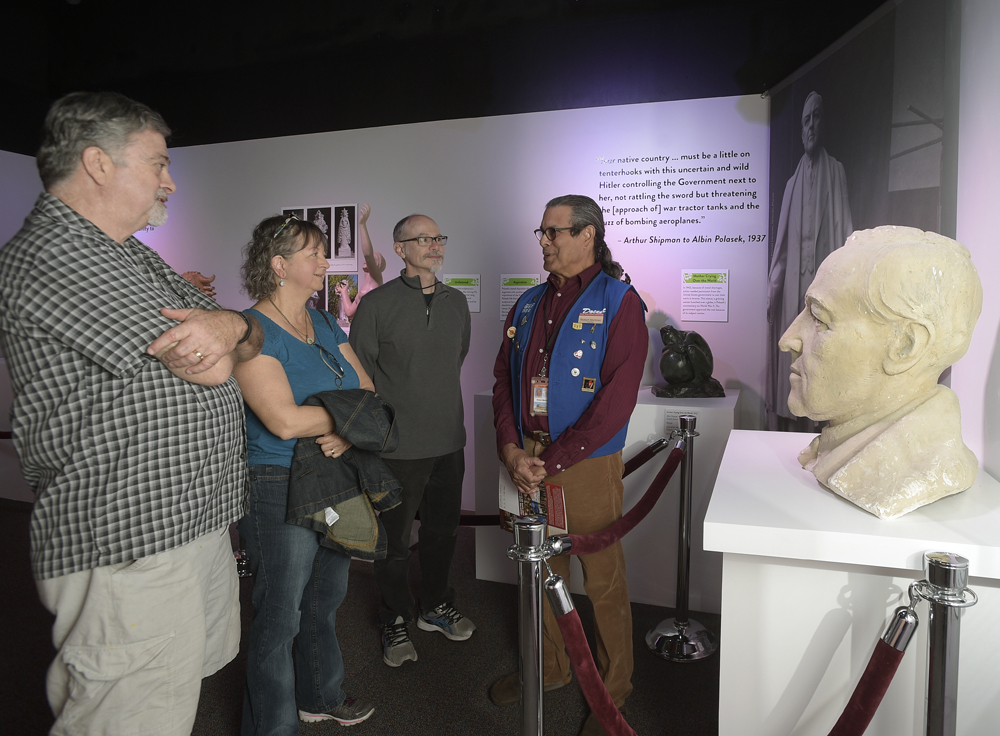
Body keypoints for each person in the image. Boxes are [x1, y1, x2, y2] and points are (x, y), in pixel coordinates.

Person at [0, 91, 263, 736]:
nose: (170, 180)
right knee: (126, 715)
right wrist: (228, 330)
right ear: (97, 163)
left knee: (164, 699)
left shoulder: (128, 252)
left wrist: (228, 324)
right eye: (158, 162)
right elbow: (213, 357)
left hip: (179, 524)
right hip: (127, 538)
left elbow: (247, 335)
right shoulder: (57, 253)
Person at [490, 194, 647, 736]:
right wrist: (512, 449)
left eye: (555, 232)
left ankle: (613, 689)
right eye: (542, 232)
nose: (545, 242)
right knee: (538, 572)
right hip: (527, 461)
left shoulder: (621, 302)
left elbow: (614, 402)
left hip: (584, 465)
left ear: (588, 235)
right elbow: (504, 385)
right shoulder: (529, 304)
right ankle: (551, 668)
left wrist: (551, 460)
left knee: (601, 577)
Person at [234, 213, 377, 732]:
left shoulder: (320, 322)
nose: (325, 262)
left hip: (332, 473)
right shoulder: (252, 330)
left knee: (325, 597)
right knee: (280, 616)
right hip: (277, 482)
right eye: (314, 253)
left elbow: (365, 389)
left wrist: (345, 425)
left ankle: (320, 694)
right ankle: (271, 727)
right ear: (278, 264)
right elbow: (282, 420)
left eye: (323, 252)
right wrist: (345, 418)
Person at [778, 225, 981, 519]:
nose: (788, 339)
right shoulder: (839, 442)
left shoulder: (919, 468)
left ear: (904, 346)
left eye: (819, 318)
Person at [348, 213, 474, 667]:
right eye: (422, 239)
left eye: (438, 236)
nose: (434, 245)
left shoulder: (457, 302)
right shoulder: (376, 305)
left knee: (443, 533)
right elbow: (359, 374)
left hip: (448, 442)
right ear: (399, 249)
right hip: (396, 448)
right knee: (395, 543)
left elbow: (455, 357)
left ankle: (435, 606)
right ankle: (394, 617)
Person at [767, 91, 853, 431]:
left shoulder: (837, 172)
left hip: (824, 284)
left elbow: (846, 231)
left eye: (817, 118)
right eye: (806, 120)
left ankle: (821, 417)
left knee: (823, 350)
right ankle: (792, 419)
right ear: (801, 129)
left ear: (824, 124)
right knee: (793, 348)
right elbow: (783, 248)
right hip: (793, 290)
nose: (811, 126)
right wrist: (772, 287)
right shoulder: (790, 186)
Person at [334, 203, 385, 318]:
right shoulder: (364, 286)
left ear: (377, 265)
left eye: (373, 258)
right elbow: (349, 313)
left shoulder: (376, 279)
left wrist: (362, 225)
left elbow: (367, 254)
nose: (367, 259)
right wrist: (344, 291)